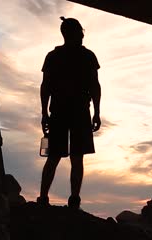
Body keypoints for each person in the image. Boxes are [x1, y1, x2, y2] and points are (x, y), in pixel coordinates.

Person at [37, 17, 101, 210]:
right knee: (73, 157)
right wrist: (96, 112)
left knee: (57, 156)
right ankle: (71, 201)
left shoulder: (53, 56)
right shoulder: (88, 56)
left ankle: (45, 198)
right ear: (75, 33)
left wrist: (44, 113)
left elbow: (45, 87)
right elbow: (94, 86)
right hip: (77, 111)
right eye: (80, 32)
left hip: (60, 111)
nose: (82, 35)